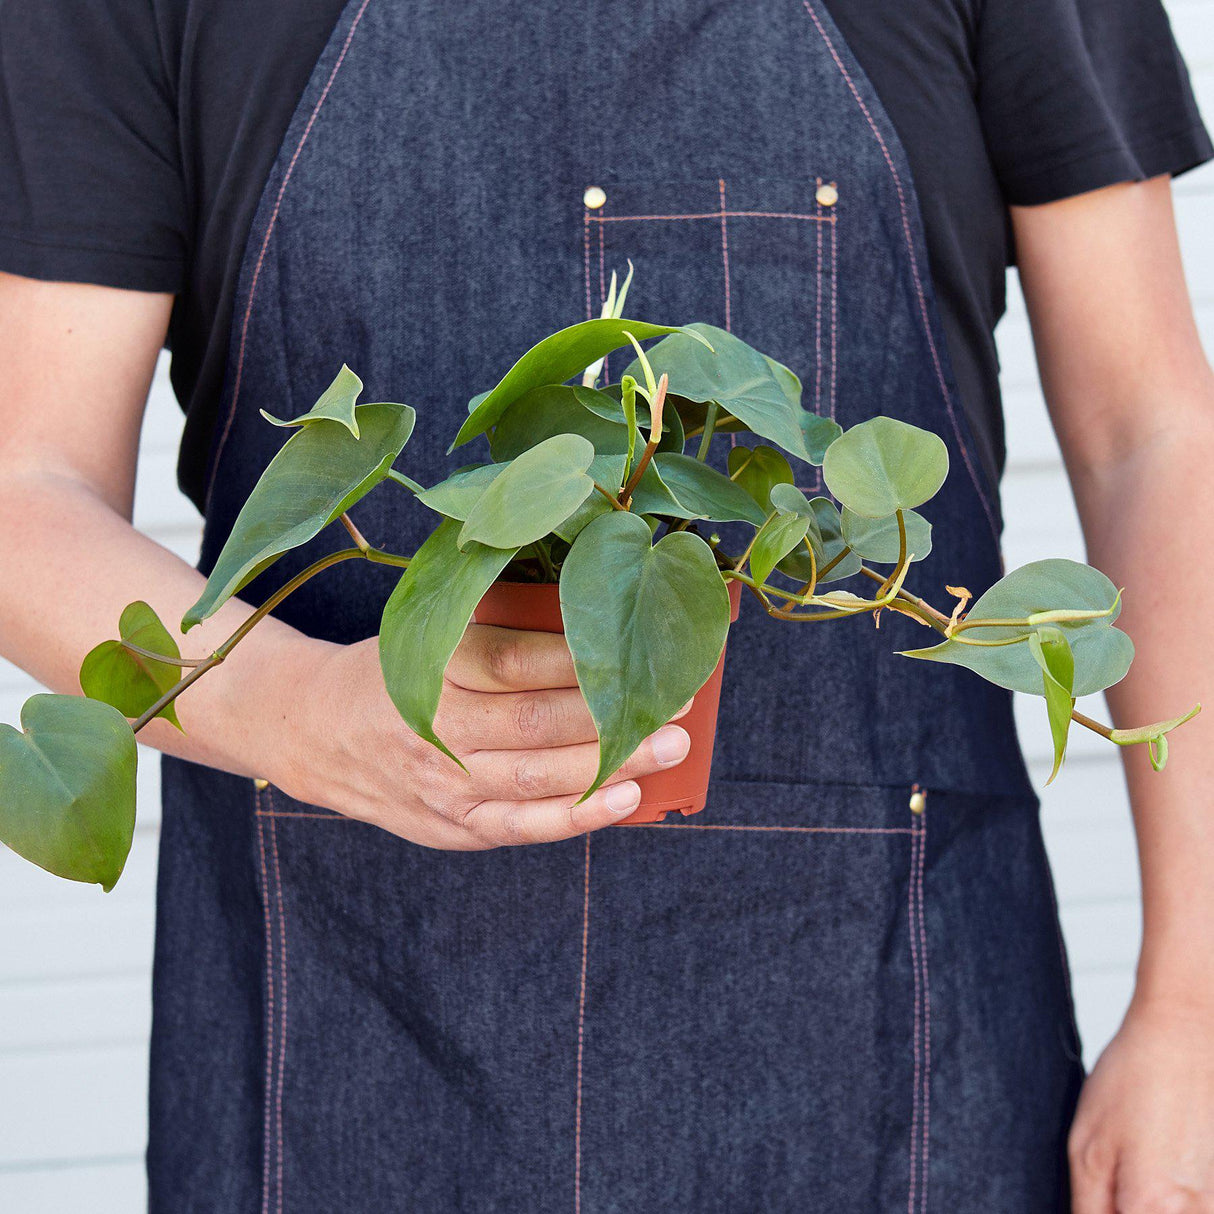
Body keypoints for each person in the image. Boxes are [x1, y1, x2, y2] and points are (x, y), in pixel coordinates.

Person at [1, 0, 1211, 1209]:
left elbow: (1147, 435)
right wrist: (297, 707)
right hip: (333, 1031)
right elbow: (25, 484)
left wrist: (1191, 1006)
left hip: (882, 1028)